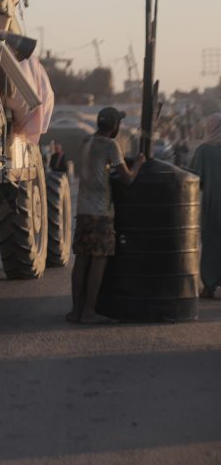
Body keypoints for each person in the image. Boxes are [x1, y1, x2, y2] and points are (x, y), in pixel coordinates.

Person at [67, 107, 145, 324]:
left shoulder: (86, 142)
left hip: (83, 211)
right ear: (114, 126)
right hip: (101, 212)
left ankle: (76, 311)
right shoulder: (111, 145)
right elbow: (127, 178)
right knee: (98, 261)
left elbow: (93, 170)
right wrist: (138, 164)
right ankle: (89, 312)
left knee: (81, 260)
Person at [190, 112, 221, 299]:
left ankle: (210, 285)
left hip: (213, 205)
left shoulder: (203, 150)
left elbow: (195, 179)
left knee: (211, 244)